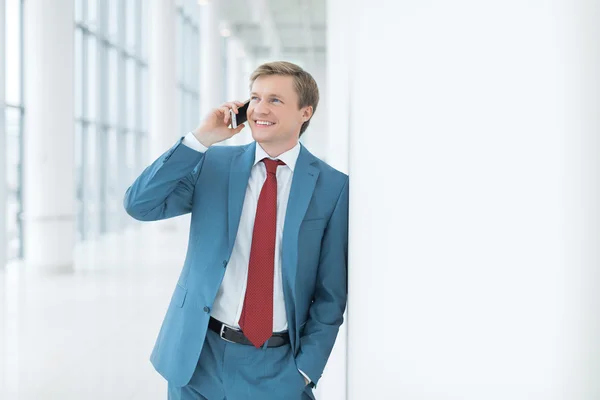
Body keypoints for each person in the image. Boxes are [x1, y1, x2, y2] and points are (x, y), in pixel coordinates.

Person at [124, 61, 349, 400]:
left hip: (277, 368)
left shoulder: (333, 187)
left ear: (305, 112)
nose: (259, 108)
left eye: (275, 100)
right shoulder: (213, 165)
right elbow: (140, 204)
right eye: (255, 97)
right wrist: (201, 139)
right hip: (198, 358)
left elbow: (331, 293)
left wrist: (305, 371)